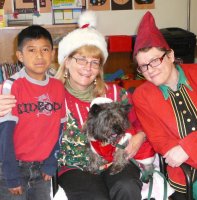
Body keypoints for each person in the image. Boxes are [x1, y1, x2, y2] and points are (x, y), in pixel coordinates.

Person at [0, 11, 153, 200]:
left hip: (116, 160)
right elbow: (22, 118)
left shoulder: (115, 93)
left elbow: (141, 121)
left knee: (127, 186)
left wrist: (140, 135)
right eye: (81, 59)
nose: (87, 67)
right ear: (67, 61)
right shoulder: (52, 94)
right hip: (74, 167)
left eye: (94, 62)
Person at [132, 11, 197, 200]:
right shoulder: (142, 96)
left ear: (170, 55)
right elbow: (162, 143)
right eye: (143, 66)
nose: (150, 71)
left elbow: (182, 150)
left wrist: (189, 147)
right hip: (190, 172)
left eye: (155, 61)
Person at [0, 25, 66, 200]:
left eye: (45, 49)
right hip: (12, 168)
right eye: (31, 50)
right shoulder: (12, 85)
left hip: (42, 169)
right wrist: (11, 174)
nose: (39, 56)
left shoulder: (58, 87)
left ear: (52, 54)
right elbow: (5, 133)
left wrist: (52, 162)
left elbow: (60, 128)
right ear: (20, 56)